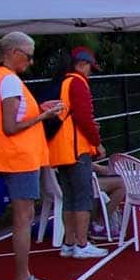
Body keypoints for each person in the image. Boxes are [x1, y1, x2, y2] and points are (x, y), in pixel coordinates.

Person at [0, 33, 64, 280]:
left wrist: (39, 109)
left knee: (25, 217)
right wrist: (42, 116)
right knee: (23, 219)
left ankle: (24, 277)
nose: (31, 62)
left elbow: (15, 117)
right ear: (14, 53)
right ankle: (22, 279)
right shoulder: (9, 80)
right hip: (19, 158)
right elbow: (10, 127)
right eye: (29, 56)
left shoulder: (3, 77)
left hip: (17, 157)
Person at [47, 47, 109, 258]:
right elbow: (84, 117)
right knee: (83, 196)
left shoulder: (63, 82)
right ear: (82, 65)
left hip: (61, 148)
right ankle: (82, 244)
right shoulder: (78, 83)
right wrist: (97, 142)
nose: (91, 72)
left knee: (70, 197)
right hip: (76, 148)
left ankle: (69, 242)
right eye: (90, 67)